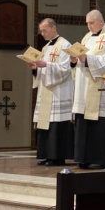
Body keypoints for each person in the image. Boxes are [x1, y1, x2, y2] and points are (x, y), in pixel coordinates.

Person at [71, 9, 105, 169]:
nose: (89, 26)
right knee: (83, 123)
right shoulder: (86, 37)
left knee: (98, 124)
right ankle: (83, 158)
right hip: (84, 87)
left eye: (91, 23)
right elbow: (81, 58)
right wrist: (74, 59)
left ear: (101, 21)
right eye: (87, 23)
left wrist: (87, 59)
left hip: (99, 88)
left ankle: (99, 159)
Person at [28, 18, 74, 166]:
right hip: (46, 90)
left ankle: (57, 157)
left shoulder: (65, 45)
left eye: (44, 30)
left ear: (54, 28)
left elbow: (66, 69)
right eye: (41, 31)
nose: (42, 33)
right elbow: (43, 68)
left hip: (58, 91)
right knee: (45, 124)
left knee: (56, 126)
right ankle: (47, 155)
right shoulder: (45, 48)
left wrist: (46, 64)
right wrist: (36, 68)